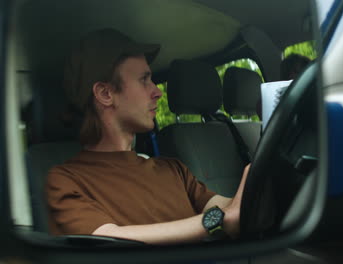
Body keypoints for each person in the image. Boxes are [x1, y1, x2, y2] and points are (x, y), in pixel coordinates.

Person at [47, 28, 250, 245]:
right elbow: (106, 241)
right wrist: (217, 220)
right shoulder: (66, 179)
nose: (157, 92)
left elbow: (227, 208)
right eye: (144, 80)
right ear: (105, 94)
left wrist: (256, 188)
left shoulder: (173, 169)